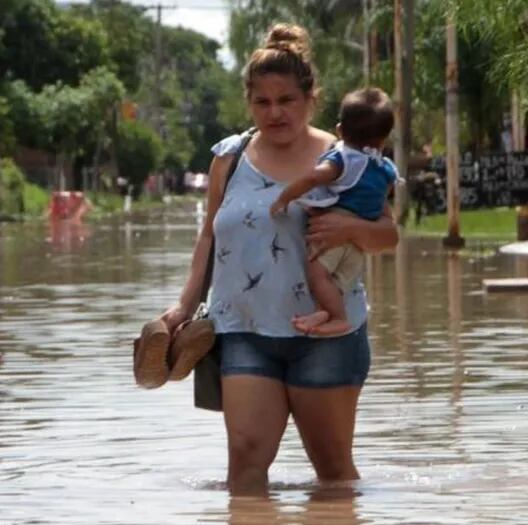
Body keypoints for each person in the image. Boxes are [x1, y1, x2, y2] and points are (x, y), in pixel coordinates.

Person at [158, 24, 399, 494]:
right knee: (245, 467)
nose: (275, 112)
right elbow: (208, 236)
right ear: (249, 102)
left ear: (311, 98)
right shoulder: (228, 158)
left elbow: (388, 235)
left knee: (333, 474)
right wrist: (183, 307)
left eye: (286, 100)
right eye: (262, 102)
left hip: (325, 336)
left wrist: (351, 228)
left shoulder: (345, 159)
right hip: (245, 332)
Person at [269, 87, 397, 336]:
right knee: (334, 283)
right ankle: (324, 310)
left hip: (334, 230)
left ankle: (338, 317)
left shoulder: (343, 159)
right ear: (383, 140)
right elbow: (383, 199)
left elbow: (315, 177)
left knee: (317, 276)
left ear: (339, 130)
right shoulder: (386, 169)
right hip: (358, 244)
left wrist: (285, 197)